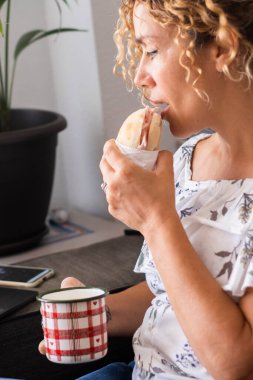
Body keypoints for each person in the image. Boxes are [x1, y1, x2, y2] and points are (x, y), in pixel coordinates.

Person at [39, 0, 253, 378]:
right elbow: (169, 295)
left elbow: (236, 363)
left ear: (222, 47)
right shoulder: (187, 160)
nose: (140, 76)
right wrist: (93, 314)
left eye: (152, 50)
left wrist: (156, 220)